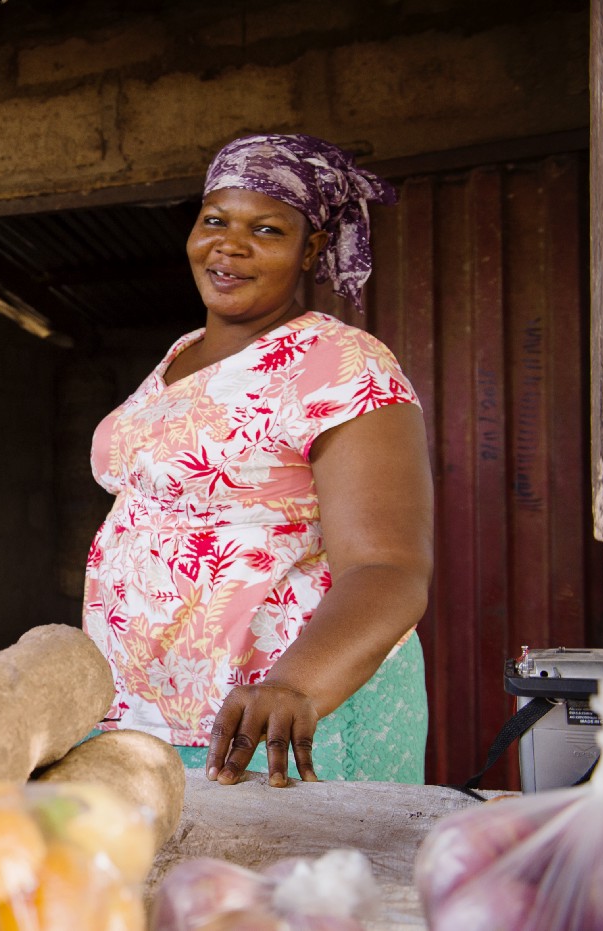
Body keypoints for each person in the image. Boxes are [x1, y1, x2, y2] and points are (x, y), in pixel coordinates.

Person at [82, 133, 434, 786]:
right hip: (141, 711)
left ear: (313, 248)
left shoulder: (342, 363)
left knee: (297, 888)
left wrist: (295, 683)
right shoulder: (180, 353)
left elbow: (391, 566)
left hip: (279, 724)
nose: (230, 244)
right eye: (214, 219)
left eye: (266, 228)